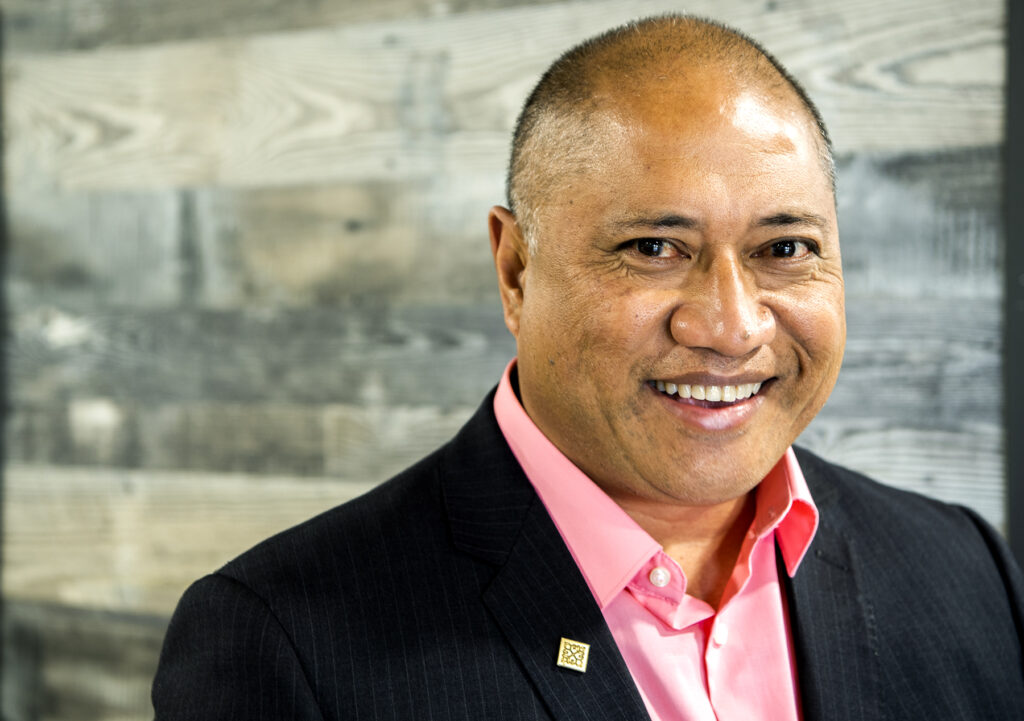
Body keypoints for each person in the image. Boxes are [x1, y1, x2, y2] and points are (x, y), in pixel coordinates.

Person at [152, 14, 1024, 720]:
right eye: (653, 248)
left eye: (785, 247)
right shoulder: (284, 642)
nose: (731, 326)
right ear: (515, 270)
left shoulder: (966, 567)